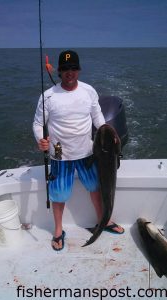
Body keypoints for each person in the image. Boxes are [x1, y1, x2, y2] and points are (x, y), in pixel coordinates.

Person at [33, 50, 124, 251]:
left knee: (95, 188)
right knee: (58, 195)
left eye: (73, 68)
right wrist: (41, 139)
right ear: (59, 71)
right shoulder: (47, 96)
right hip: (59, 155)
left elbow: (98, 117)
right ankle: (58, 231)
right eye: (65, 68)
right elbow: (38, 123)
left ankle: (104, 221)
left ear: (79, 70)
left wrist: (107, 128)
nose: (70, 72)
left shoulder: (89, 91)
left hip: (87, 153)